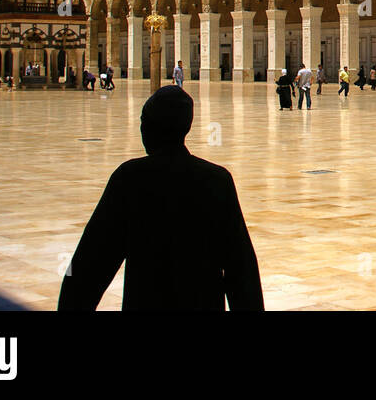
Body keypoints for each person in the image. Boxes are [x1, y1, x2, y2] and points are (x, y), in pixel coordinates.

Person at [59, 86, 263, 310]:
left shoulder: (130, 178)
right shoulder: (216, 180)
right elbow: (241, 269)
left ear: (149, 127)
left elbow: (89, 264)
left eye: (143, 122)